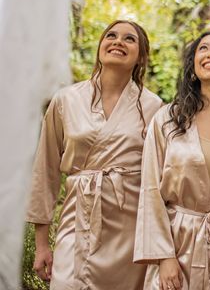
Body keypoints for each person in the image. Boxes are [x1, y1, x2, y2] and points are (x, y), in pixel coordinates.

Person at [26, 20, 163, 289]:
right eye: (111, 35)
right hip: (77, 219)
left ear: (141, 57)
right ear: (100, 46)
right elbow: (46, 170)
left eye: (129, 39)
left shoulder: (153, 106)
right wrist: (42, 244)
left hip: (128, 230)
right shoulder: (66, 99)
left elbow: (159, 180)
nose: (118, 42)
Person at [135, 31, 210, 290]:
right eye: (203, 48)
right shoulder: (168, 118)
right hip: (178, 240)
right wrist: (164, 256)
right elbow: (150, 189)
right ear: (193, 67)